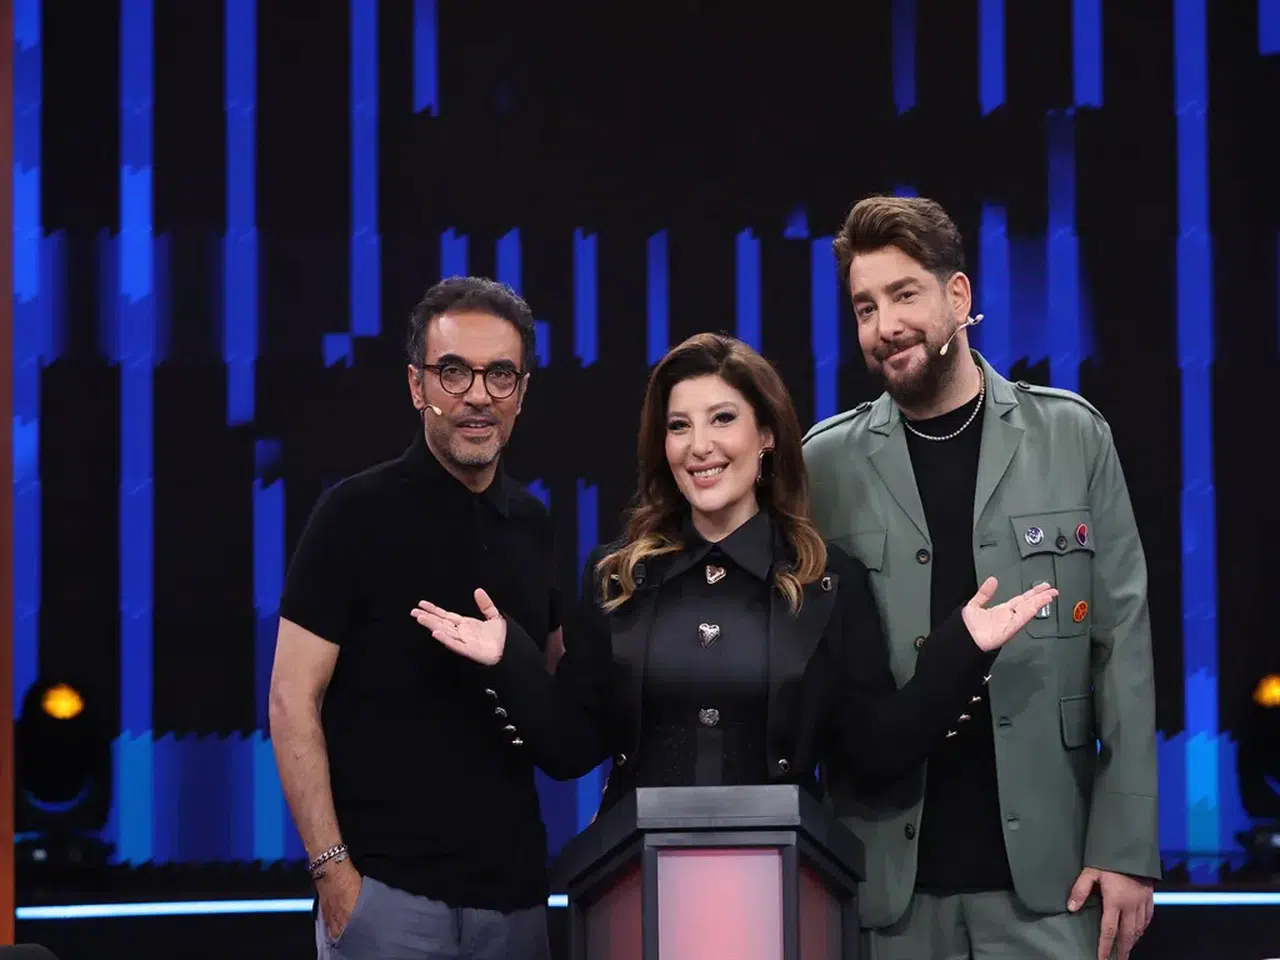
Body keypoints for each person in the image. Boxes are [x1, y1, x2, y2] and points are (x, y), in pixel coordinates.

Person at [410, 333, 1054, 830]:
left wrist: (961, 651)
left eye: (722, 419)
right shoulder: (619, 578)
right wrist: (510, 659)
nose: (699, 446)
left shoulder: (829, 581)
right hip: (636, 888)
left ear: (765, 434)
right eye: (679, 425)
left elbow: (874, 752)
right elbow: (570, 747)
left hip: (785, 886)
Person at [802, 195, 1160, 960]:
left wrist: (1127, 847)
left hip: (1051, 884)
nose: (884, 325)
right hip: (887, 892)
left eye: (904, 295)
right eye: (865, 308)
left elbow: (1122, 650)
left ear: (958, 296)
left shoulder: (1071, 436)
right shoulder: (823, 465)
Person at [268, 276, 560, 960]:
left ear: (522, 392)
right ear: (416, 385)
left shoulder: (534, 524)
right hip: (385, 899)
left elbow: (556, 701)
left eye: (500, 375)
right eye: (453, 372)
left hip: (516, 903)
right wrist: (333, 874)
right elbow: (290, 699)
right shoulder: (352, 515)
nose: (478, 395)